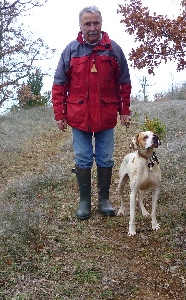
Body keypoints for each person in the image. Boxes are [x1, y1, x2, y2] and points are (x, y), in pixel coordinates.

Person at [51, 6, 132, 221]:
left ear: (101, 24)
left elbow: (124, 83)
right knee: (83, 158)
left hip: (106, 116)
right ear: (81, 26)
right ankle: (84, 202)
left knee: (105, 158)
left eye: (96, 23)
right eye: (88, 23)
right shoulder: (70, 51)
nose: (92, 27)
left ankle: (104, 200)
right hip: (79, 117)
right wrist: (60, 114)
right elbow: (59, 84)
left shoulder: (113, 50)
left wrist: (124, 111)